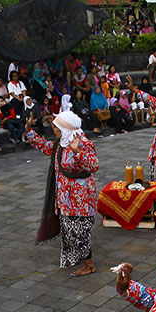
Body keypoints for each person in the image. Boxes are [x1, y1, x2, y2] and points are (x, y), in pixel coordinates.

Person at [25, 111, 98, 276]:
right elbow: (46, 147)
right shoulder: (61, 142)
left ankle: (90, 264)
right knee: (69, 230)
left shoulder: (83, 142)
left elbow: (94, 165)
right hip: (65, 196)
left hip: (80, 197)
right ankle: (77, 258)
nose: (55, 130)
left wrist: (77, 152)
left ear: (65, 128)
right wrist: (30, 132)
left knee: (80, 230)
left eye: (57, 127)